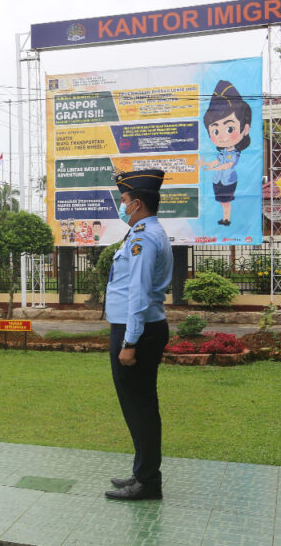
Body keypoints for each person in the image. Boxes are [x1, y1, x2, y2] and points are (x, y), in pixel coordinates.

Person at [104, 169, 172, 501]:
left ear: (137, 204)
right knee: (136, 406)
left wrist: (129, 341)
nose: (122, 205)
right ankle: (141, 472)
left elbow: (139, 293)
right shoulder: (144, 233)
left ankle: (147, 481)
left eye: (124, 200)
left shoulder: (144, 237)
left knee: (140, 406)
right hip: (140, 330)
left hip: (138, 332)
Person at [199, 80, 252, 227]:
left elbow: (228, 165)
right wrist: (206, 164)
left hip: (228, 181)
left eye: (229, 129)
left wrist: (214, 168)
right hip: (218, 181)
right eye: (215, 131)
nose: (222, 137)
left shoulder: (235, 152)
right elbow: (217, 161)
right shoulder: (222, 152)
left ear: (245, 129)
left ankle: (227, 220)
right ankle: (224, 218)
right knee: (222, 202)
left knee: (226, 201)